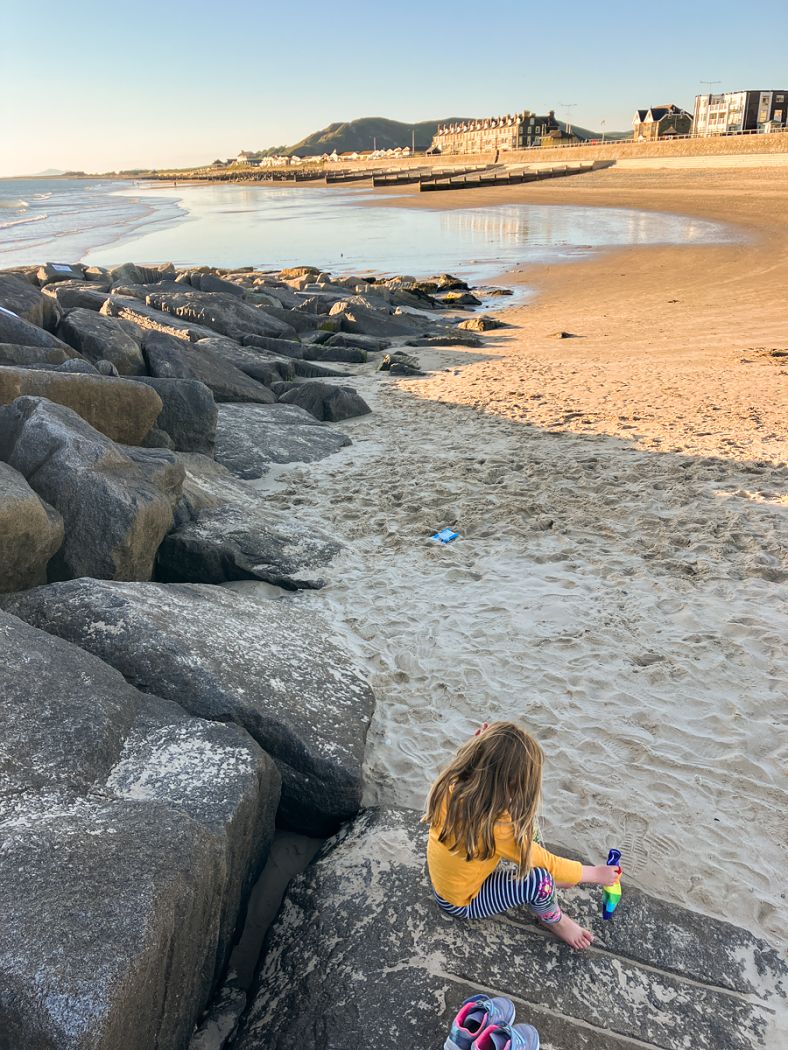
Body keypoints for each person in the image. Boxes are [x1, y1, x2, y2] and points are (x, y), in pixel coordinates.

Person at [424, 721, 620, 950]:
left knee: (526, 826)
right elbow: (549, 863)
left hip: (448, 884)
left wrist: (481, 742)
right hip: (464, 902)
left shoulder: (452, 783)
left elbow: (468, 757)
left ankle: (554, 879)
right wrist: (596, 874)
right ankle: (554, 920)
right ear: (511, 786)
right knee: (541, 880)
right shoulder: (498, 828)